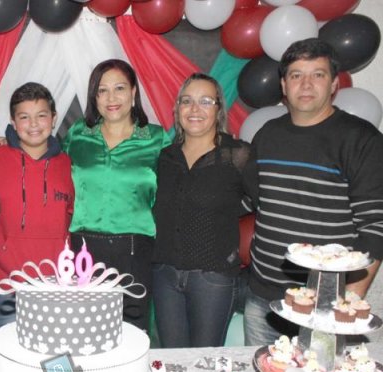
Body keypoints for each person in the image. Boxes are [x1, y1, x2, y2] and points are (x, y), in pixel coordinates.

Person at [242, 38, 383, 346]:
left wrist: (347, 303)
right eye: (296, 75)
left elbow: (375, 226)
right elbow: (253, 200)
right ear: (284, 85)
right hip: (263, 300)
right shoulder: (267, 135)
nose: (306, 84)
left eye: (317, 74)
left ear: (334, 84)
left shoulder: (361, 139)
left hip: (325, 307)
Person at [63, 59, 172, 331]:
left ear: (133, 92)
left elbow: (176, 192)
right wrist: (7, 140)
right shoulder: (78, 134)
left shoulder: (156, 138)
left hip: (135, 250)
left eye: (119, 88)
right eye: (102, 90)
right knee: (84, 331)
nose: (111, 98)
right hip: (83, 248)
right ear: (94, 97)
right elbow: (47, 161)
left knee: (132, 332)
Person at [152, 73, 251, 348]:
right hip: (164, 276)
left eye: (205, 101)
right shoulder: (165, 157)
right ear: (177, 109)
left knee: (205, 361)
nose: (195, 109)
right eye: (187, 101)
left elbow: (265, 204)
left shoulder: (238, 155)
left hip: (213, 280)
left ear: (219, 109)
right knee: (172, 360)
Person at [0, 82, 74, 329]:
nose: (33, 124)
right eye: (24, 117)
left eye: (41, 115)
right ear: (13, 122)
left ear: (54, 118)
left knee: (56, 350)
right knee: (8, 351)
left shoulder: (68, 164)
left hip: (57, 286)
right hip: (7, 285)